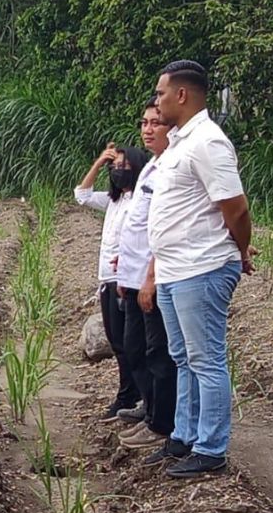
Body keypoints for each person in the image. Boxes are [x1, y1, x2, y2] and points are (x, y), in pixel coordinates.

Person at [142, 60, 252, 478]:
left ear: (182, 95)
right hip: (174, 268)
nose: (158, 100)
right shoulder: (179, 143)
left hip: (201, 267)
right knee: (183, 357)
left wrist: (240, 251)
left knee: (206, 359)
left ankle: (211, 447)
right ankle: (183, 435)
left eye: (161, 93)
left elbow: (236, 208)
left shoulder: (208, 141)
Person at [119, 98, 178, 450]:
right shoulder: (152, 167)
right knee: (135, 349)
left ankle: (161, 422)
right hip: (134, 276)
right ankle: (150, 409)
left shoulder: (171, 167)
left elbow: (163, 228)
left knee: (158, 352)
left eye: (156, 123)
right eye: (144, 123)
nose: (147, 129)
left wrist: (149, 278)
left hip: (152, 277)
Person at [74, 143, 148, 422]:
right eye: (114, 167)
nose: (119, 171)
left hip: (128, 278)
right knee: (117, 340)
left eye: (124, 166)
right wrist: (99, 161)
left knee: (131, 342)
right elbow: (82, 195)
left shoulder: (141, 200)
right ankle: (128, 394)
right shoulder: (114, 200)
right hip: (107, 278)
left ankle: (135, 396)